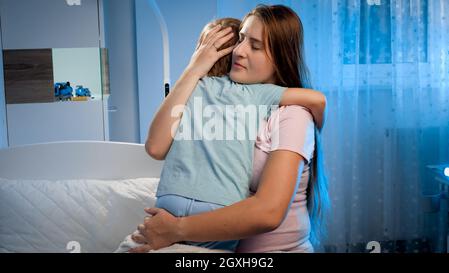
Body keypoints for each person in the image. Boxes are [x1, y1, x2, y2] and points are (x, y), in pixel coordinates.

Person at [120, 5, 328, 253]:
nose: (238, 51)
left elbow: (269, 213)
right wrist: (194, 68)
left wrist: (176, 229)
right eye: (240, 39)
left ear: (281, 58)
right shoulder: (211, 92)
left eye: (255, 45)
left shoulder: (291, 114)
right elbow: (155, 146)